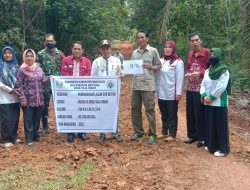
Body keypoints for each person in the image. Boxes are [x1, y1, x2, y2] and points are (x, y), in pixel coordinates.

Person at [130, 29, 162, 144]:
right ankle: (138, 132)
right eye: (138, 38)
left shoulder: (153, 51)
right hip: (136, 85)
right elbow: (132, 67)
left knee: (150, 110)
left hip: (148, 86)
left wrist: (151, 67)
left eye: (142, 37)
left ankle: (152, 135)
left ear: (147, 38)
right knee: (135, 109)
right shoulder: (135, 53)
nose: (140, 39)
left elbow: (159, 66)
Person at [91, 40, 124, 143]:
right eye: (103, 48)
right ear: (100, 49)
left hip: (113, 92)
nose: (105, 50)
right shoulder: (96, 62)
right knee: (101, 112)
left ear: (110, 49)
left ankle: (115, 133)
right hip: (100, 92)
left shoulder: (116, 61)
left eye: (107, 48)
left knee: (114, 111)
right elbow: (93, 77)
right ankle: (102, 134)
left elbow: (121, 74)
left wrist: (121, 76)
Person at [200, 48, 230, 157]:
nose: (212, 56)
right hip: (208, 101)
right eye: (211, 55)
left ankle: (222, 149)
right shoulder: (208, 71)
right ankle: (211, 145)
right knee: (210, 124)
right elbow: (203, 84)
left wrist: (211, 97)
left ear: (219, 56)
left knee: (219, 126)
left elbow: (221, 87)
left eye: (214, 54)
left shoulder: (224, 70)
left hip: (219, 102)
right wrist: (204, 95)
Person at [61, 41, 92, 142]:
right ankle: (70, 132)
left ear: (83, 50)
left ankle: (81, 132)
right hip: (69, 90)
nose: (77, 50)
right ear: (72, 49)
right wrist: (72, 86)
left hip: (82, 90)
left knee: (82, 110)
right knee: (70, 110)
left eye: (79, 49)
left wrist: (79, 85)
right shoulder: (65, 60)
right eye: (75, 48)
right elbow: (64, 74)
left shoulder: (87, 61)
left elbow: (88, 74)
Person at [184, 32, 210, 147]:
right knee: (190, 113)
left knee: (200, 113)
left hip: (202, 88)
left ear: (201, 40)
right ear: (190, 43)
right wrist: (188, 74)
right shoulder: (190, 54)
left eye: (196, 40)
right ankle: (192, 135)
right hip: (190, 87)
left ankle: (202, 137)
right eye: (192, 41)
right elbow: (188, 68)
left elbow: (211, 70)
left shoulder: (207, 52)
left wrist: (199, 73)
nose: (195, 42)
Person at [16, 49, 47, 147]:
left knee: (37, 119)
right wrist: (22, 98)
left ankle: (35, 135)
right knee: (28, 120)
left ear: (34, 57)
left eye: (31, 56)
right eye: (27, 56)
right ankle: (29, 139)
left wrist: (52, 78)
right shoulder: (22, 69)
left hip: (39, 99)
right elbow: (19, 85)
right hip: (28, 100)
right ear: (24, 57)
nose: (29, 58)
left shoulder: (39, 68)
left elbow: (44, 81)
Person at [156, 40, 184, 141]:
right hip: (161, 92)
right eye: (165, 47)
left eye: (170, 47)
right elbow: (157, 76)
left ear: (173, 49)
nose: (167, 49)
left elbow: (180, 78)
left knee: (172, 114)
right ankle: (164, 131)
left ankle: (172, 134)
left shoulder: (178, 62)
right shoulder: (160, 60)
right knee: (163, 114)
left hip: (172, 93)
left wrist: (178, 93)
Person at [37, 33, 65, 133]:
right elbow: (37, 70)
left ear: (55, 42)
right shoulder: (40, 54)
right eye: (47, 41)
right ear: (45, 42)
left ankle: (63, 125)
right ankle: (45, 126)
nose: (49, 43)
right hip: (45, 85)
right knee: (44, 106)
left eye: (51, 41)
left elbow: (64, 69)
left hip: (59, 85)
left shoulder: (60, 54)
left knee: (62, 105)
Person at [0, 46, 21, 148]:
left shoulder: (16, 66)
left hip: (15, 97)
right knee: (6, 119)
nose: (7, 55)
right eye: (5, 53)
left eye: (9, 53)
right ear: (2, 55)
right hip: (4, 97)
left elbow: (19, 80)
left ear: (13, 55)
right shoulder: (0, 66)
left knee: (14, 118)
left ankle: (13, 137)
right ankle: (4, 140)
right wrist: (10, 90)